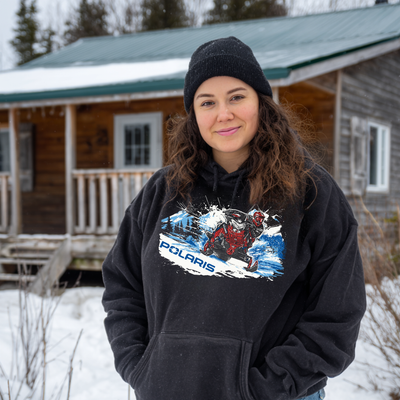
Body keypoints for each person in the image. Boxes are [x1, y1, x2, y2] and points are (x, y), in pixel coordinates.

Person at [102, 36, 366, 400]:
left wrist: (263, 387)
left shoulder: (312, 193)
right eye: (207, 101)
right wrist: (141, 367)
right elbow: (122, 287)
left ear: (261, 102)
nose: (223, 113)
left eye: (237, 97)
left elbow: (338, 313)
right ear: (194, 114)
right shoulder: (162, 192)